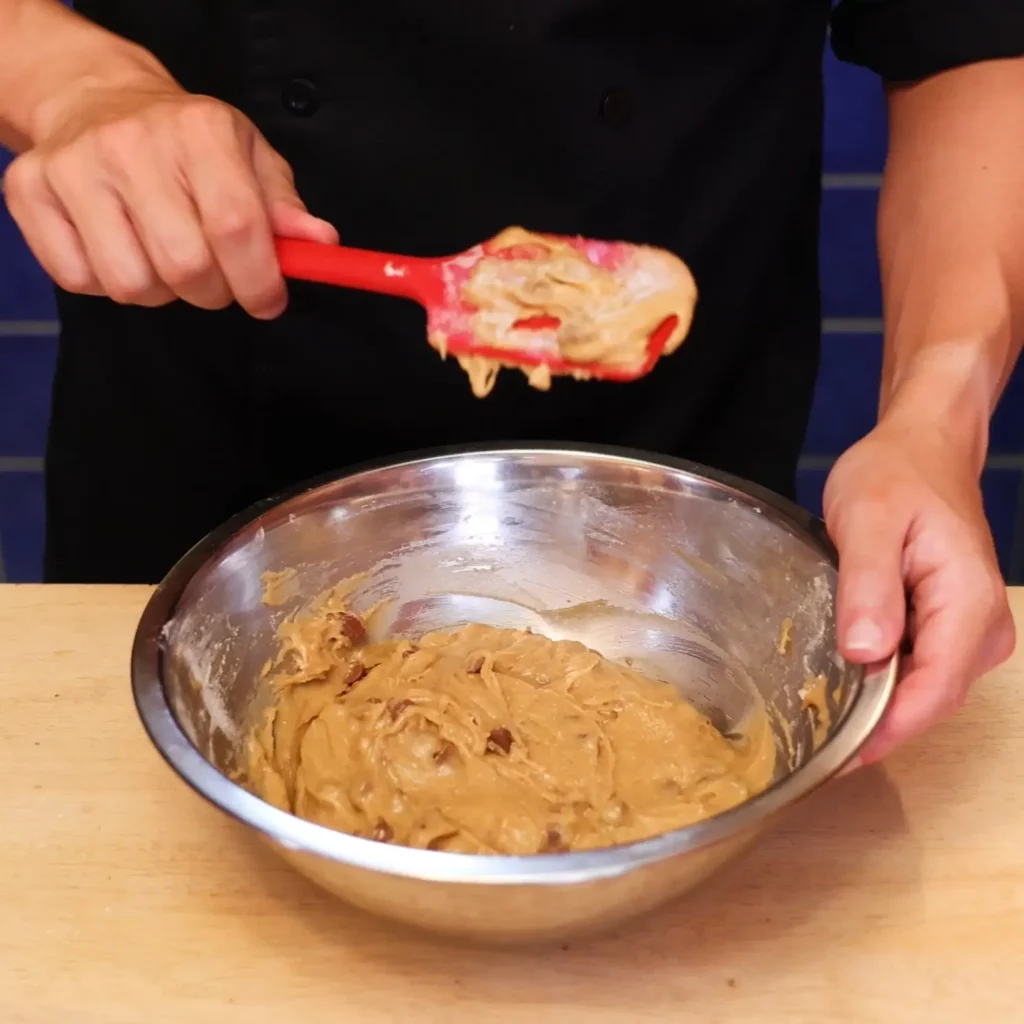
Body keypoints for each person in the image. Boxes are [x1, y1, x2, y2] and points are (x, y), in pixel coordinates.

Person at [1, 1, 1021, 767]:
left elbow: (974, 41)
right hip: (190, 476)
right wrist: (77, 81)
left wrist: (936, 413)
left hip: (678, 510)